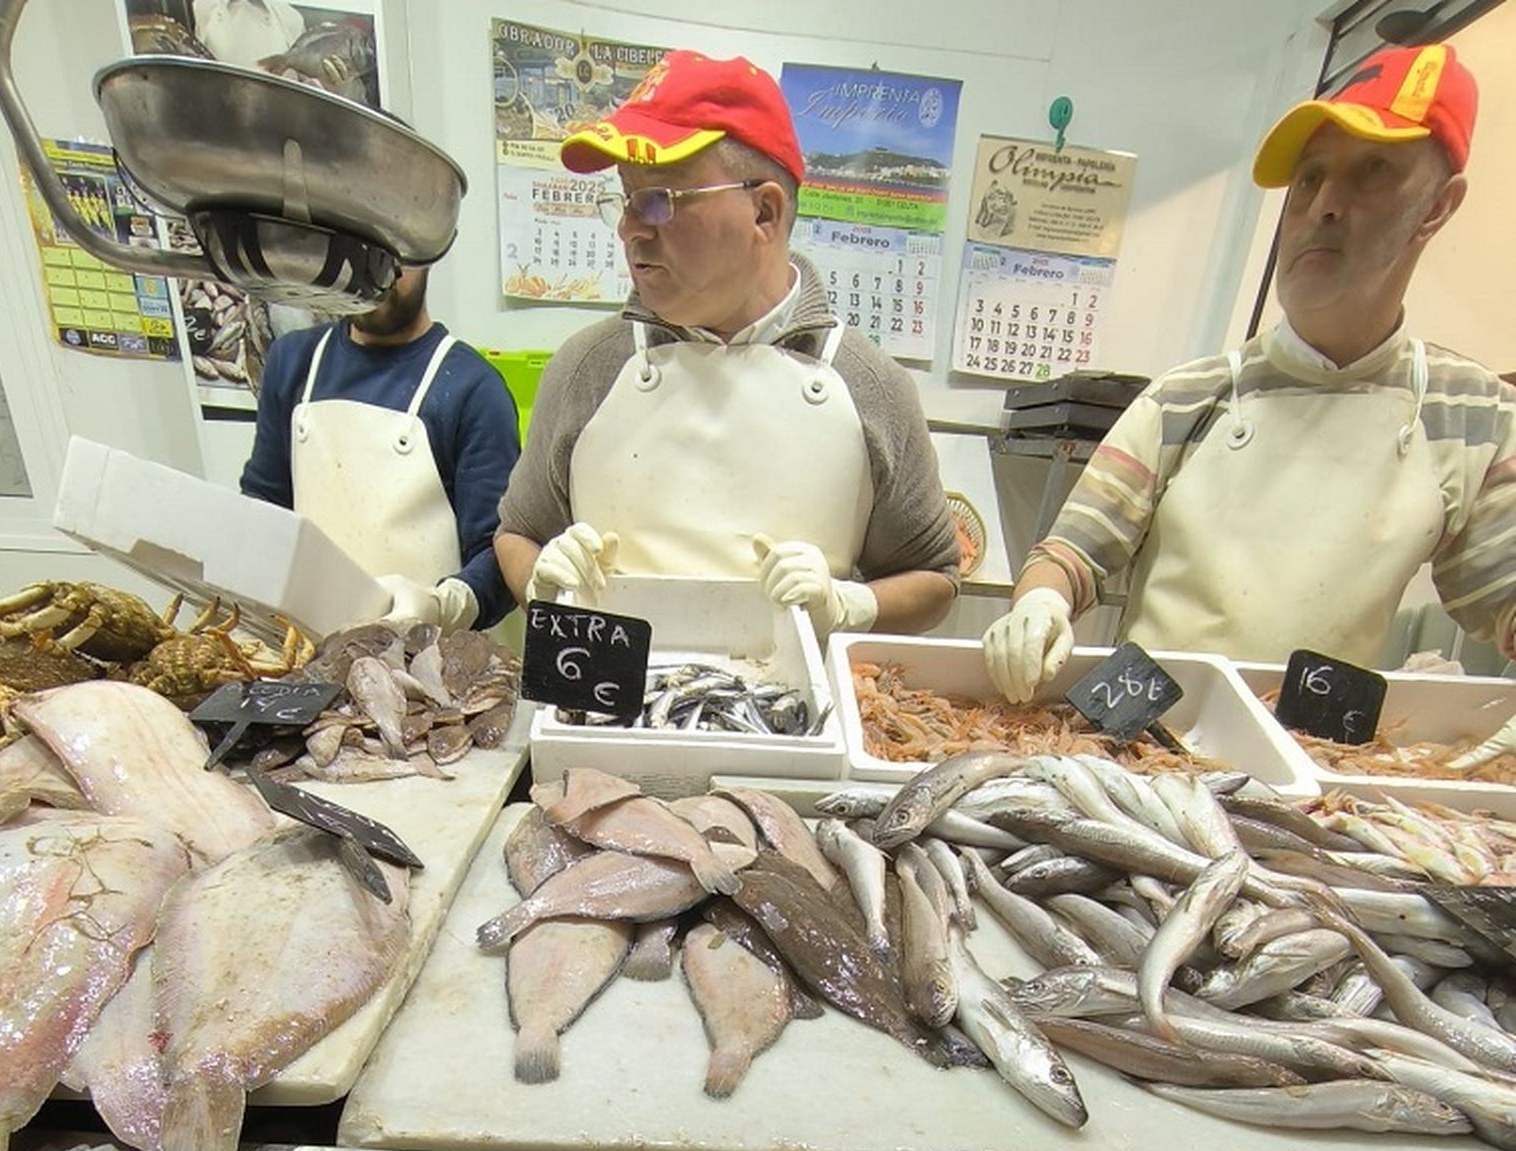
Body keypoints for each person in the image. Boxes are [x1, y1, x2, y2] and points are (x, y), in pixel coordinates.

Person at [980, 43, 1516, 723]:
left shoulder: (1474, 416)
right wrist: (1042, 601)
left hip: (1314, 757)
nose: (1325, 204)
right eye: (1310, 178)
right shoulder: (1187, 399)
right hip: (1140, 737)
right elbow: (1074, 551)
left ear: (1438, 208)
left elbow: (1501, 596)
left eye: (1373, 172)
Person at [493, 50, 960, 638]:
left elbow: (936, 577)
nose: (630, 227)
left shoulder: (869, 386)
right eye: (624, 197)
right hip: (600, 707)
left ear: (764, 211)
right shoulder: (589, 366)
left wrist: (849, 606)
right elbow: (517, 532)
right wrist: (541, 581)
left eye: (659, 198)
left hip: (788, 719)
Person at [241, 255, 519, 633]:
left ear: (428, 251)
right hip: (305, 647)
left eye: (397, 255)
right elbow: (264, 504)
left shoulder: (473, 388)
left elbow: (498, 552)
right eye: (364, 252)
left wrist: (443, 605)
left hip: (421, 661)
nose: (378, 271)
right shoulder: (293, 362)